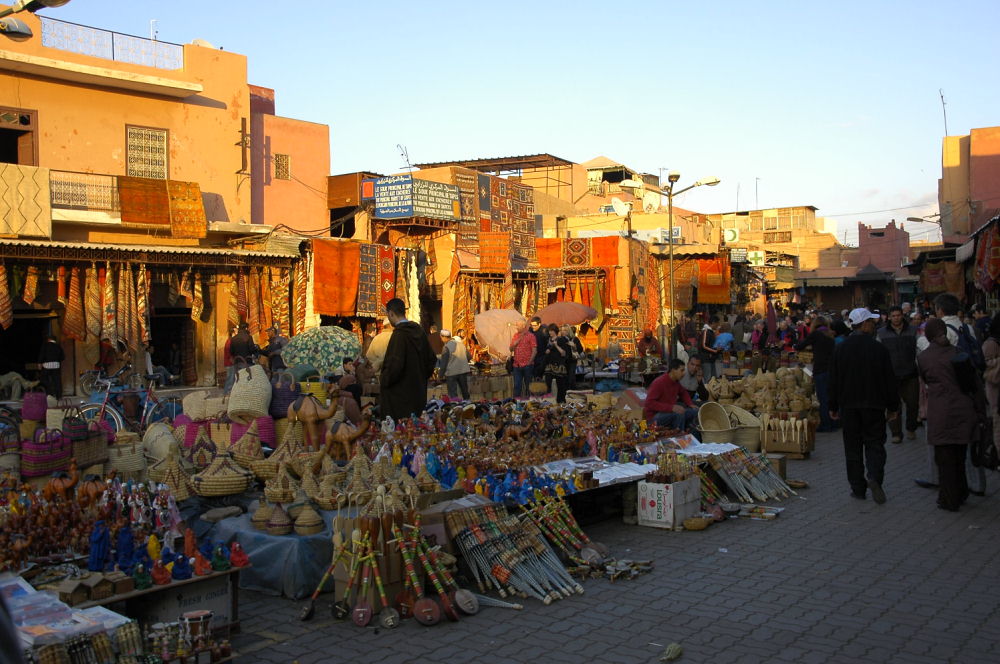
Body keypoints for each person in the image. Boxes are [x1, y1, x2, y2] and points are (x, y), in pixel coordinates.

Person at [829, 307, 900, 504]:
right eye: (871, 321)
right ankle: (875, 478)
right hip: (874, 405)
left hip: (849, 406)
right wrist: (893, 407)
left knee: (852, 448)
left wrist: (833, 405)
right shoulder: (878, 348)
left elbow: (834, 380)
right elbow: (889, 380)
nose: (874, 324)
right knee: (875, 445)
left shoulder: (841, 348)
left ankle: (858, 488)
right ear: (865, 324)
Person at [918, 318, 984, 511]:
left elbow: (925, 381)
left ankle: (949, 498)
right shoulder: (959, 354)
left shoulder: (924, 358)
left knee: (944, 458)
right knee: (959, 455)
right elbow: (975, 386)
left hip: (940, 411)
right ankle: (961, 491)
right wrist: (980, 411)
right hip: (963, 409)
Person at [380, 298, 436, 421]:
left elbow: (395, 365)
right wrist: (420, 377)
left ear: (391, 314)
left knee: (402, 430)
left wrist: (384, 380)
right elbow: (431, 359)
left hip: (400, 396)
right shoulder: (419, 331)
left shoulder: (399, 335)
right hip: (418, 393)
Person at [876, 306, 919, 443]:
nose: (896, 318)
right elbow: (878, 354)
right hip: (891, 375)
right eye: (893, 316)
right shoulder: (881, 333)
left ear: (902, 316)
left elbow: (919, 350)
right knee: (893, 406)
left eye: (898, 315)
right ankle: (896, 433)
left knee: (912, 404)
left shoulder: (912, 330)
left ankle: (911, 428)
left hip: (910, 373)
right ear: (889, 317)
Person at [796, 315, 837, 432]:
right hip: (831, 370)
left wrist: (797, 346)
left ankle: (826, 425)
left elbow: (801, 345)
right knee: (830, 397)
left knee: (823, 398)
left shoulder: (815, 335)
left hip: (820, 370)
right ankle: (834, 422)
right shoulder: (830, 335)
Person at [643, 358, 697, 431]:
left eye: (684, 370)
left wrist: (690, 404)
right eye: (681, 370)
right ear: (673, 370)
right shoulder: (659, 382)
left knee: (695, 411)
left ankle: (690, 433)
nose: (684, 373)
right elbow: (649, 403)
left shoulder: (676, 382)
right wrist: (671, 408)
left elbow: (683, 393)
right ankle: (679, 436)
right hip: (654, 418)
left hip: (668, 412)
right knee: (679, 414)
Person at [437, 329, 471, 400]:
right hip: (463, 371)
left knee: (453, 394)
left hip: (451, 373)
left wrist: (440, 376)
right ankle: (468, 405)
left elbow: (444, 363)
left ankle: (455, 407)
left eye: (441, 337)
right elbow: (469, 357)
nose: (441, 339)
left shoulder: (446, 347)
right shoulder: (461, 344)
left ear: (443, 337)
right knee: (465, 391)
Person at [542, 323, 570, 403]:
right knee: (547, 382)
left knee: (560, 384)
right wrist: (547, 351)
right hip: (549, 364)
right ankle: (547, 400)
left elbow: (563, 353)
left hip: (559, 364)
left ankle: (560, 400)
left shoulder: (561, 340)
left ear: (555, 331)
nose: (550, 332)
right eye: (549, 331)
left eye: (552, 331)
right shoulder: (548, 340)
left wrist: (556, 346)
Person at [509, 320, 537, 398]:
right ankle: (516, 403)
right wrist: (515, 343)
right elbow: (510, 349)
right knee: (517, 385)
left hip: (527, 365)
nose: (516, 327)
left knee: (529, 386)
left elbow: (534, 350)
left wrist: (529, 362)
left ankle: (531, 403)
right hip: (517, 365)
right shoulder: (515, 336)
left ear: (523, 326)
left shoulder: (531, 336)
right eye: (516, 325)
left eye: (518, 325)